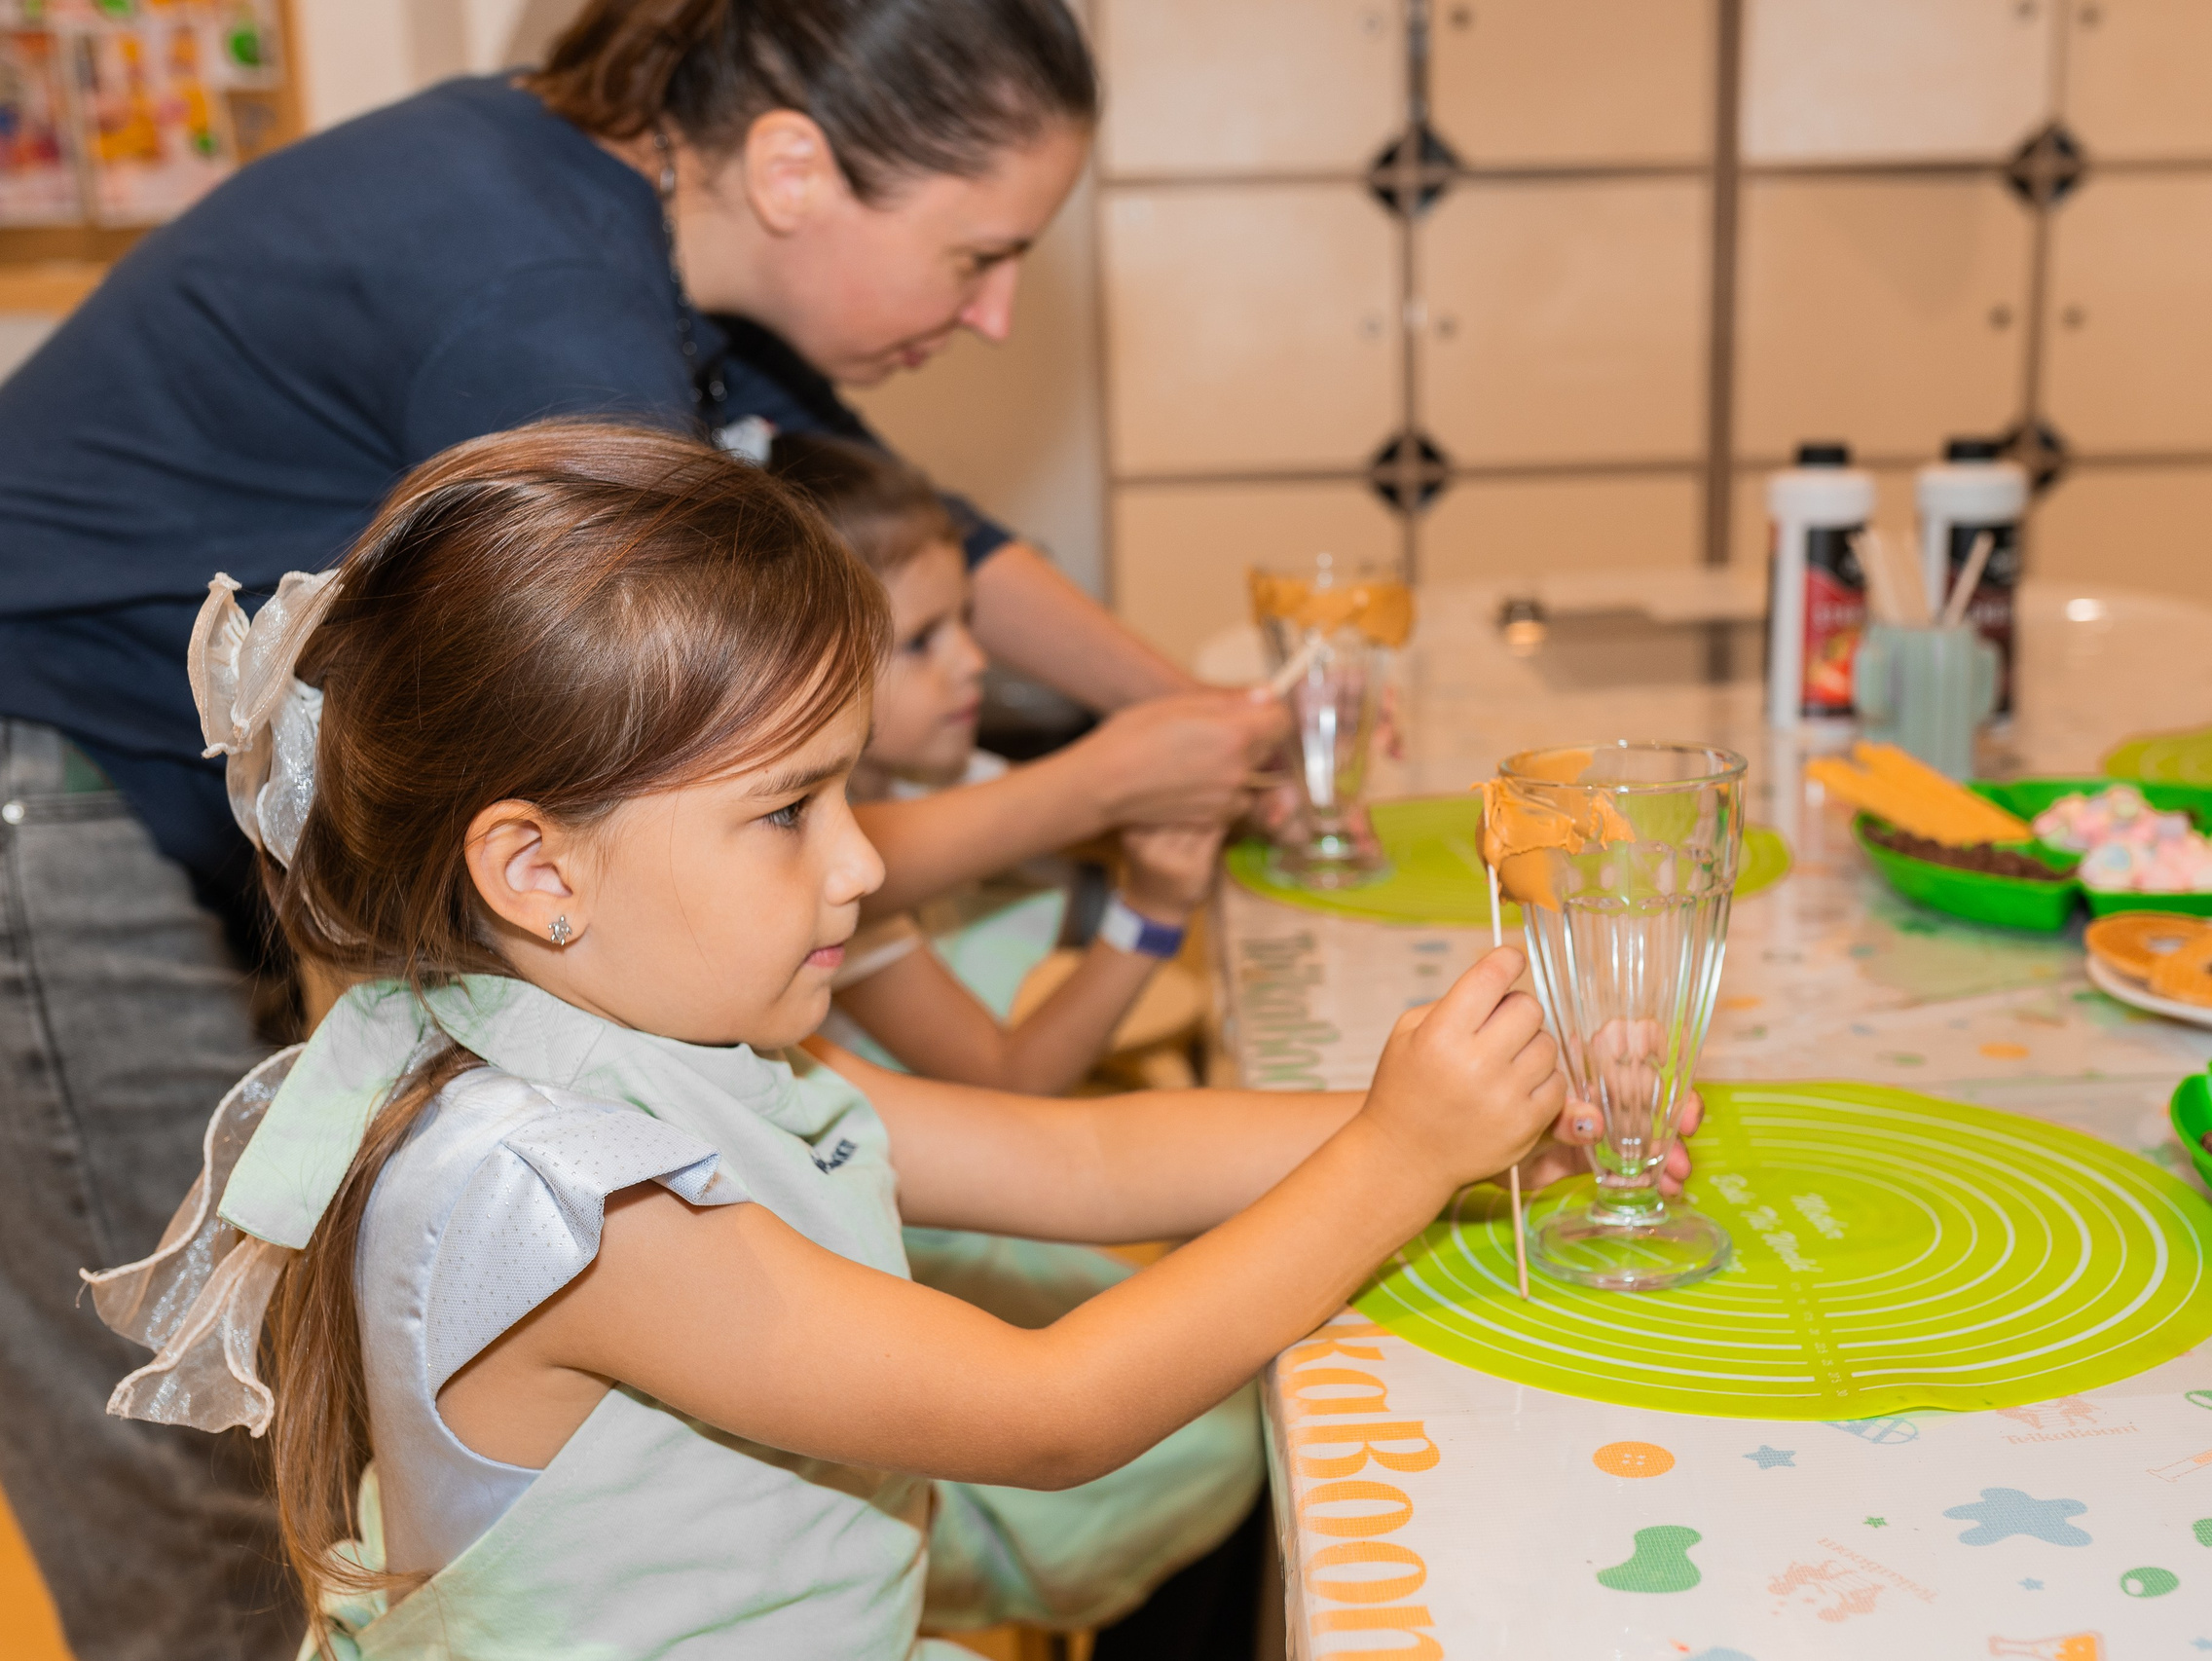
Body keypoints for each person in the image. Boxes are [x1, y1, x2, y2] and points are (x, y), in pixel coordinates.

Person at [0, 4, 1277, 1650]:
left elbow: (932, 538)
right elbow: (704, 755)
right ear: (797, 167)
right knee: (190, 1478)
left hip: (177, 809)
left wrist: (1205, 725)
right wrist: (1102, 783)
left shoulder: (633, 226)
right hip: (43, 786)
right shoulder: (548, 309)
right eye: (975, 256)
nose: (995, 310)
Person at [86, 424, 1586, 1657]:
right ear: (539, 870)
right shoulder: (549, 1195)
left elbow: (1080, 1155)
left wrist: (1481, 1119)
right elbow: (1048, 1412)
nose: (862, 865)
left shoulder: (676, 1046)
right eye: (791, 810)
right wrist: (1399, 1156)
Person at [772, 434, 1221, 1092]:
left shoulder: (940, 781)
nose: (975, 660)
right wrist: (1152, 913)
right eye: (923, 640)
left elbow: (1110, 816)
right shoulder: (829, 879)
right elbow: (1010, 1079)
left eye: (967, 621)